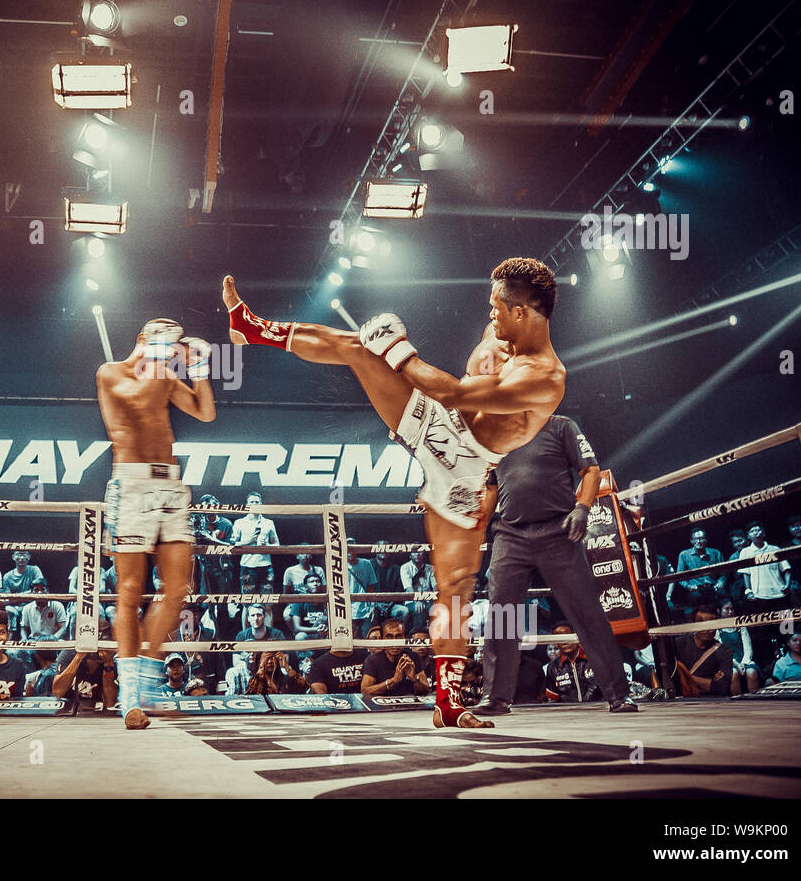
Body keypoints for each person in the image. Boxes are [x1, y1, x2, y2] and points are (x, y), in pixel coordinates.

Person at [222, 258, 565, 727]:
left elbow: (460, 395)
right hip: (438, 424)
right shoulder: (498, 341)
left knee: (456, 590)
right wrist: (389, 354)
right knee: (359, 349)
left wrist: (401, 352)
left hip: (466, 470)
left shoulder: (544, 376)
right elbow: (452, 399)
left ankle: (449, 702)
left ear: (522, 312)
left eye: (496, 308)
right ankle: (252, 327)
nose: (490, 316)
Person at [473, 414, 636, 716]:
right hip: (510, 533)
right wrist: (477, 522)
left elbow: (590, 470)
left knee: (587, 612)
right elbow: (492, 487)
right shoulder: (496, 434)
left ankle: (618, 694)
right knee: (501, 613)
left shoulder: (560, 425)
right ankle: (495, 697)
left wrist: (583, 508)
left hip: (558, 529)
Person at [96, 318, 217, 729]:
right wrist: (162, 360)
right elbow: (137, 400)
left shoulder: (163, 374)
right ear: (141, 339)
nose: (171, 348)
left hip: (171, 485)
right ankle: (129, 695)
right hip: (131, 485)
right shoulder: (111, 372)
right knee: (130, 590)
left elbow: (205, 412)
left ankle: (146, 677)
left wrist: (198, 370)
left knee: (179, 588)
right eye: (163, 339)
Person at [52, 623, 118, 711]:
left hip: (97, 713)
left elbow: (110, 703)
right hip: (67, 709)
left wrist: (108, 666)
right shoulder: (70, 653)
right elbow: (57, 692)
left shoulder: (112, 661)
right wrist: (78, 657)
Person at [671, 608, 735, 696]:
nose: (708, 629)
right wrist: (708, 683)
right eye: (703, 624)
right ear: (694, 624)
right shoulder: (678, 644)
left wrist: (684, 676)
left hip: (709, 701)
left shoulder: (724, 651)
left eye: (712, 625)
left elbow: (722, 687)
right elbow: (670, 676)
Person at [361, 618, 430, 696]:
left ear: (405, 638)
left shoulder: (414, 657)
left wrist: (414, 679)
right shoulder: (372, 660)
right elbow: (365, 690)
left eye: (398, 636)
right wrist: (393, 681)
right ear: (382, 639)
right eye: (389, 637)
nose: (394, 642)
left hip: (409, 705)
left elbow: (426, 690)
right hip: (382, 707)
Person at [668, 529, 725, 618]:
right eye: (696, 539)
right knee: (693, 603)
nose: (699, 542)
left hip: (714, 587)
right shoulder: (684, 555)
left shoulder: (716, 553)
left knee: (726, 599)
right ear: (691, 541)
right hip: (696, 590)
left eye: (702, 538)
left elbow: (724, 572)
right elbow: (679, 577)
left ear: (706, 539)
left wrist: (721, 581)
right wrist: (688, 586)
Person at [229, 492, 280, 590]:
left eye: (257, 502)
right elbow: (232, 544)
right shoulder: (240, 523)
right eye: (251, 502)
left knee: (267, 599)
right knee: (248, 600)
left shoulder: (268, 523)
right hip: (247, 565)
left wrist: (267, 545)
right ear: (247, 504)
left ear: (261, 504)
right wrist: (248, 541)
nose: (254, 504)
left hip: (266, 565)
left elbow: (277, 544)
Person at [543, 624, 601, 703]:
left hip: (600, 710)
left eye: (567, 637)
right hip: (569, 713)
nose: (564, 642)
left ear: (577, 636)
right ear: (556, 643)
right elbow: (553, 699)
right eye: (559, 638)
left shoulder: (595, 659)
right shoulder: (553, 667)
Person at [716, 598, 760, 693]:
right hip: (728, 662)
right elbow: (721, 652)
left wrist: (743, 663)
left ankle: (756, 702)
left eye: (732, 609)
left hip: (744, 659)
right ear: (719, 610)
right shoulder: (717, 630)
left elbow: (748, 648)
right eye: (727, 609)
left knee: (751, 672)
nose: (730, 611)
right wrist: (736, 664)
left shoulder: (740, 626)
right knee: (733, 673)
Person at [285, 572, 330, 642]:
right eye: (312, 582)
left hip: (324, 633)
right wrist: (316, 629)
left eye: (318, 581)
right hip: (307, 635)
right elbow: (297, 628)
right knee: (300, 636)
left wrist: (326, 628)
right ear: (305, 586)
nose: (315, 584)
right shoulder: (299, 602)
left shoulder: (326, 602)